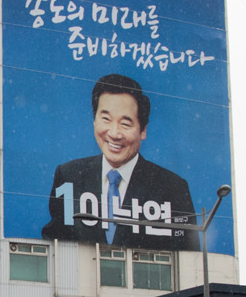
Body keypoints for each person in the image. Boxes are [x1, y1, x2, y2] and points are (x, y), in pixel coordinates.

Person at [41, 72, 198, 249]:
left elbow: (189, 258)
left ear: (143, 130)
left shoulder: (173, 188)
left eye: (125, 124)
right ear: (94, 121)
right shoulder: (69, 176)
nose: (114, 133)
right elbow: (54, 244)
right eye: (106, 119)